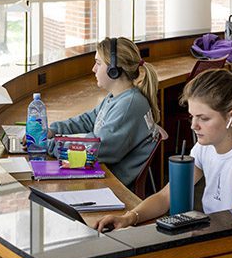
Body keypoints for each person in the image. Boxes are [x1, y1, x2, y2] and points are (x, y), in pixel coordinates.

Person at [95, 68, 232, 231]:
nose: (194, 126)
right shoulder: (204, 147)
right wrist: (128, 218)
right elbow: (165, 196)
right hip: (219, 234)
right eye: (192, 116)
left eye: (203, 118)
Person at [47, 37, 160, 188]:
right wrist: (53, 130)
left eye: (98, 63)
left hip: (111, 185)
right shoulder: (117, 97)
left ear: (114, 70)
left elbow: (95, 149)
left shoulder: (129, 105)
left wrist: (50, 145)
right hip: (102, 174)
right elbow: (89, 119)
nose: (93, 69)